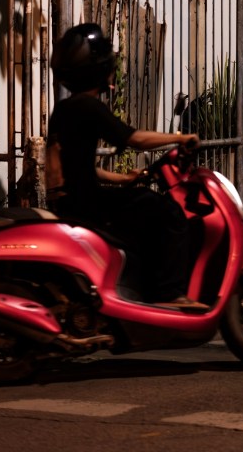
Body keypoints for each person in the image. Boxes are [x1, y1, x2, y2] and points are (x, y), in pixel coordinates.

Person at [45, 22, 207, 310]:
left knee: (141, 208)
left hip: (72, 203)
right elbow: (133, 139)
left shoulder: (64, 109)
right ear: (98, 69)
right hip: (89, 205)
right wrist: (181, 137)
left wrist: (123, 179)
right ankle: (169, 294)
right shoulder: (89, 107)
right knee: (169, 213)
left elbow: (79, 167)